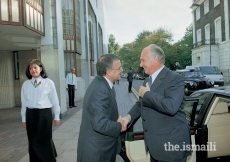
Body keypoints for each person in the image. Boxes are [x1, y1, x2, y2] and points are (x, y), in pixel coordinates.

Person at [123, 44, 191, 162]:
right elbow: (141, 104)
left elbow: (171, 107)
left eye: (143, 60)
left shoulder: (175, 79)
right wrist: (128, 117)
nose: (140, 64)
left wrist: (147, 94)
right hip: (154, 147)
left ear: (155, 59)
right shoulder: (147, 80)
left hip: (172, 148)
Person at [77, 54, 125, 162]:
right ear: (108, 71)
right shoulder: (100, 90)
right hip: (97, 153)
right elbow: (100, 123)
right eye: (119, 67)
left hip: (100, 148)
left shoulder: (102, 84)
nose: (122, 70)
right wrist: (119, 126)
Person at [21, 59, 60, 162]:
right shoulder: (26, 84)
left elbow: (55, 100)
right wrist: (24, 118)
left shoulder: (48, 82)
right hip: (31, 115)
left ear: (41, 68)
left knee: (45, 139)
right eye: (30, 68)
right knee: (32, 140)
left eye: (35, 67)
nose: (33, 70)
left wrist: (56, 116)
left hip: (44, 114)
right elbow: (24, 103)